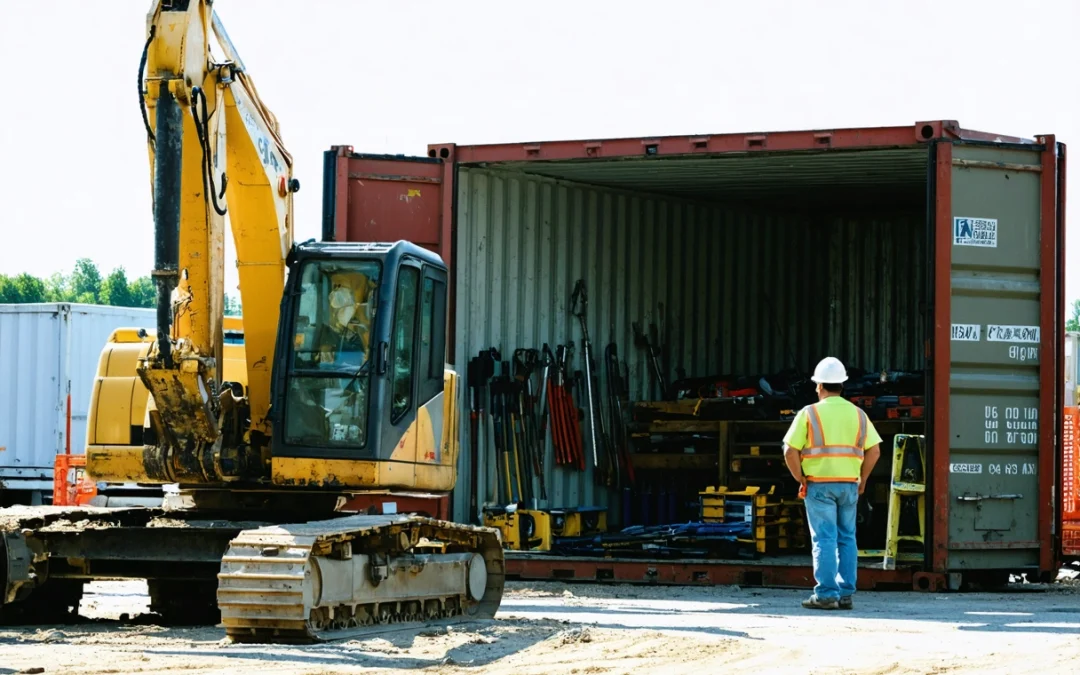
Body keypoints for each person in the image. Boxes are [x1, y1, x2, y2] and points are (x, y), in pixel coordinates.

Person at [782, 356, 882, 610]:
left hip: (819, 485)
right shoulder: (858, 414)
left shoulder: (809, 413)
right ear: (842, 385)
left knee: (825, 539)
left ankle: (827, 594)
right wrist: (863, 479)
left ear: (819, 386)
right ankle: (845, 593)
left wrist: (800, 477)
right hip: (849, 484)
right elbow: (875, 451)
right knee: (847, 537)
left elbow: (789, 451)